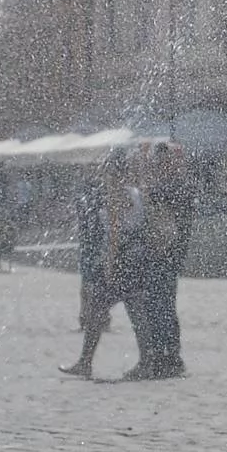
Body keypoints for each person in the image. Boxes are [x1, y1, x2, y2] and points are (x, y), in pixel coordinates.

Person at [121, 143, 193, 380]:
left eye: (162, 162)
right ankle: (166, 355)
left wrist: (145, 179)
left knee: (160, 306)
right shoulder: (173, 185)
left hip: (165, 254)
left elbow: (158, 207)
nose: (160, 166)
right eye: (158, 162)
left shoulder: (174, 187)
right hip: (162, 254)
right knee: (160, 306)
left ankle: (167, 357)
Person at [58, 160, 121, 378]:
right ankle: (85, 361)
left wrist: (110, 261)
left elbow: (115, 233)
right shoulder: (101, 197)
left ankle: (154, 360)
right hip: (111, 262)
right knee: (99, 307)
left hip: (119, 264)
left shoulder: (121, 197)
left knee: (140, 313)